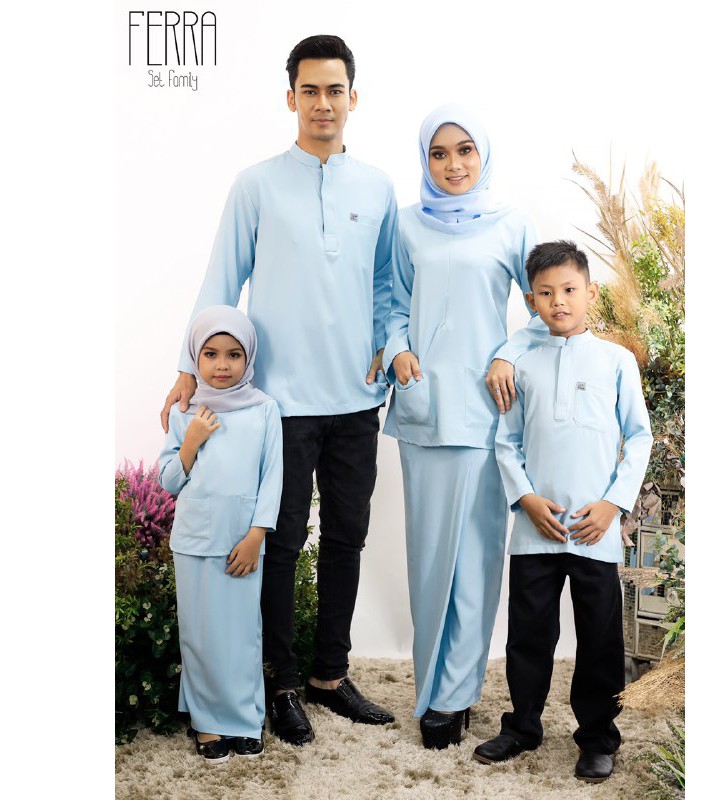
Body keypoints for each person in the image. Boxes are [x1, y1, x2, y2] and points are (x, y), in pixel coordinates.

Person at [159, 35, 397, 746]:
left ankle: (330, 675)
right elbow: (220, 280)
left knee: (348, 538)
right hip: (279, 404)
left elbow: (389, 286)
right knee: (283, 541)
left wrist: (389, 347)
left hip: (357, 399)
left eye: (335, 90)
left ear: (354, 97)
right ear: (290, 97)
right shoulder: (256, 185)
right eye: (310, 90)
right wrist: (187, 364)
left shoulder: (378, 188)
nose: (323, 103)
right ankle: (283, 683)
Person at [381, 104, 549, 750]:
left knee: (475, 563)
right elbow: (390, 301)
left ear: (483, 155)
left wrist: (507, 353)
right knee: (429, 564)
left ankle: (456, 694)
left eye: (465, 150)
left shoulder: (512, 225)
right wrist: (398, 348)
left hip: (484, 415)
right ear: (425, 160)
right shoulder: (405, 224)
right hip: (424, 411)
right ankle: (430, 690)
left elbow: (543, 307)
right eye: (439, 153)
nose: (453, 164)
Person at [473, 241, 653, 783]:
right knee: (529, 634)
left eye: (569, 290)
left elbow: (639, 438)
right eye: (546, 293)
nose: (559, 301)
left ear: (590, 293)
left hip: (595, 531)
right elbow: (506, 441)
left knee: (599, 639)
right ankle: (523, 726)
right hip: (536, 530)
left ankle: (598, 737)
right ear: (531, 301)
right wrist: (526, 499)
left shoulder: (616, 361)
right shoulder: (521, 365)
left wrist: (613, 505)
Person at [158, 305, 283, 764]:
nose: (222, 365)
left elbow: (273, 477)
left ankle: (245, 720)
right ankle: (208, 722)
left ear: (248, 357)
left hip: (242, 543)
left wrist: (257, 536)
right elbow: (169, 481)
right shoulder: (184, 412)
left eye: (234, 354)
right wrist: (190, 441)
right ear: (195, 357)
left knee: (243, 635)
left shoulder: (264, 409)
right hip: (194, 542)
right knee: (201, 637)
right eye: (210, 354)